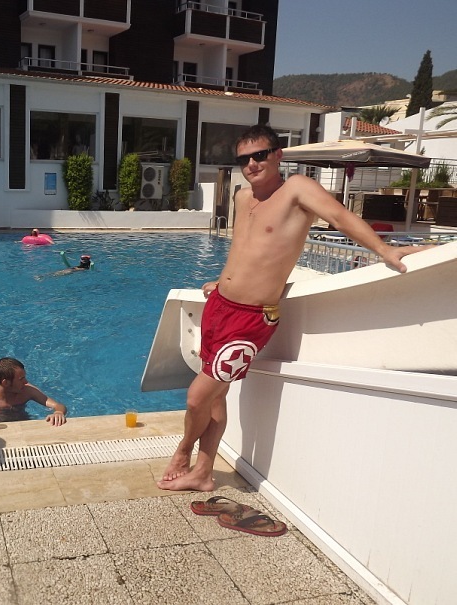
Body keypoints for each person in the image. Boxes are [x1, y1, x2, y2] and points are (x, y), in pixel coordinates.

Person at [157, 124, 428, 492]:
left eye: (259, 155)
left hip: (250, 318)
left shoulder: (298, 189)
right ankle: (203, 474)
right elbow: (243, 249)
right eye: (243, 159)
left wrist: (385, 250)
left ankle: (183, 452)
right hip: (220, 305)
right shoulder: (242, 197)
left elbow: (341, 218)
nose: (251, 164)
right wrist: (221, 282)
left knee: (196, 397)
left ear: (278, 155)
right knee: (216, 396)